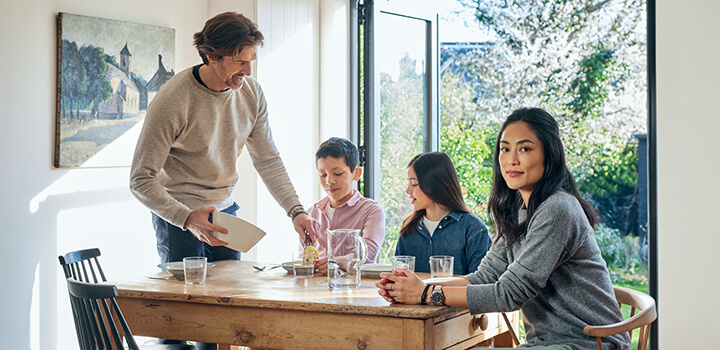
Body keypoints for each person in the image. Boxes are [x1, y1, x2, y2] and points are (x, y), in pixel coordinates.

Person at [129, 12, 316, 350]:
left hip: (226, 217)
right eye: (239, 62)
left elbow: (268, 159)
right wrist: (186, 218)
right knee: (180, 327)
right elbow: (141, 179)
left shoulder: (251, 94)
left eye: (251, 61)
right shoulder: (172, 100)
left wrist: (296, 211)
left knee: (227, 324)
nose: (247, 71)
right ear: (212, 55)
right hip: (178, 221)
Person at [376, 108, 631, 350]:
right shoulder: (520, 209)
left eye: (525, 149)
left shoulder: (558, 209)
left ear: (549, 154)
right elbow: (484, 276)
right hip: (546, 342)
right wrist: (414, 287)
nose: (511, 160)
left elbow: (508, 294)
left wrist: (427, 294)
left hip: (587, 343)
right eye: (505, 149)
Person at [395, 152, 491, 275]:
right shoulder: (409, 227)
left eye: (414, 184)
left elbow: (480, 284)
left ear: (434, 185)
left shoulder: (473, 229)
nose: (408, 190)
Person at [305, 137, 385, 274]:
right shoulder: (312, 213)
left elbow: (369, 253)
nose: (329, 181)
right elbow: (303, 254)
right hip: (315, 289)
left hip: (355, 290)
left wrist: (336, 263)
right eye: (322, 175)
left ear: (356, 173)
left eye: (338, 173)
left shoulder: (372, 211)